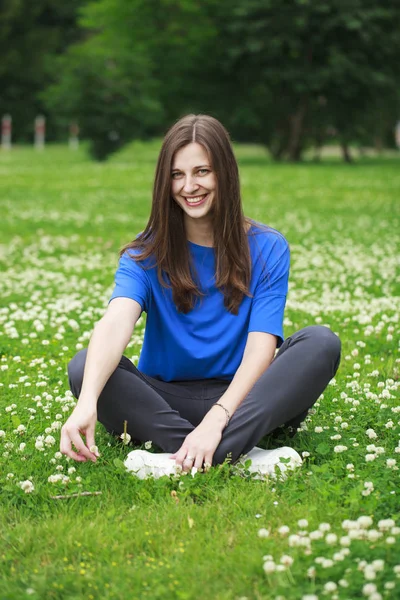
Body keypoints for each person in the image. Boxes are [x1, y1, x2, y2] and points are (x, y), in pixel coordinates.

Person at [61, 114, 341, 478]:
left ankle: (182, 456)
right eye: (177, 175)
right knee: (85, 367)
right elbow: (116, 321)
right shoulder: (143, 255)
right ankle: (241, 455)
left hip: (246, 401)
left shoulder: (268, 247)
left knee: (320, 342)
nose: (189, 186)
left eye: (202, 171)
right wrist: (86, 402)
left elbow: (261, 349)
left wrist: (219, 418)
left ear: (225, 173)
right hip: (165, 399)